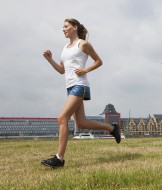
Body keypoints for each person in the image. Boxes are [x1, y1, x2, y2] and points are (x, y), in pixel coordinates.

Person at [41, 18, 121, 168]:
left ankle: (59, 158)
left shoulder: (82, 44)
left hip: (80, 85)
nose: (63, 29)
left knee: (62, 118)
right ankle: (112, 128)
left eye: (66, 26)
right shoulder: (65, 47)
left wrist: (85, 70)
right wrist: (50, 59)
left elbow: (98, 61)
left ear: (74, 27)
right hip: (70, 87)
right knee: (81, 123)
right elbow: (62, 70)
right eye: (63, 27)